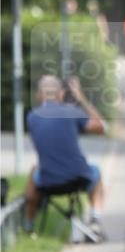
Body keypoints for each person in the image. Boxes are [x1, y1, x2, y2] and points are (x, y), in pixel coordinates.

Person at [25, 75, 107, 239]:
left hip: (48, 181)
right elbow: (101, 128)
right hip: (79, 178)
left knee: (33, 173)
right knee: (96, 171)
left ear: (39, 95)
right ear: (61, 94)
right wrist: (81, 98)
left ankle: (28, 226)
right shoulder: (72, 111)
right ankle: (95, 219)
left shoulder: (32, 117)